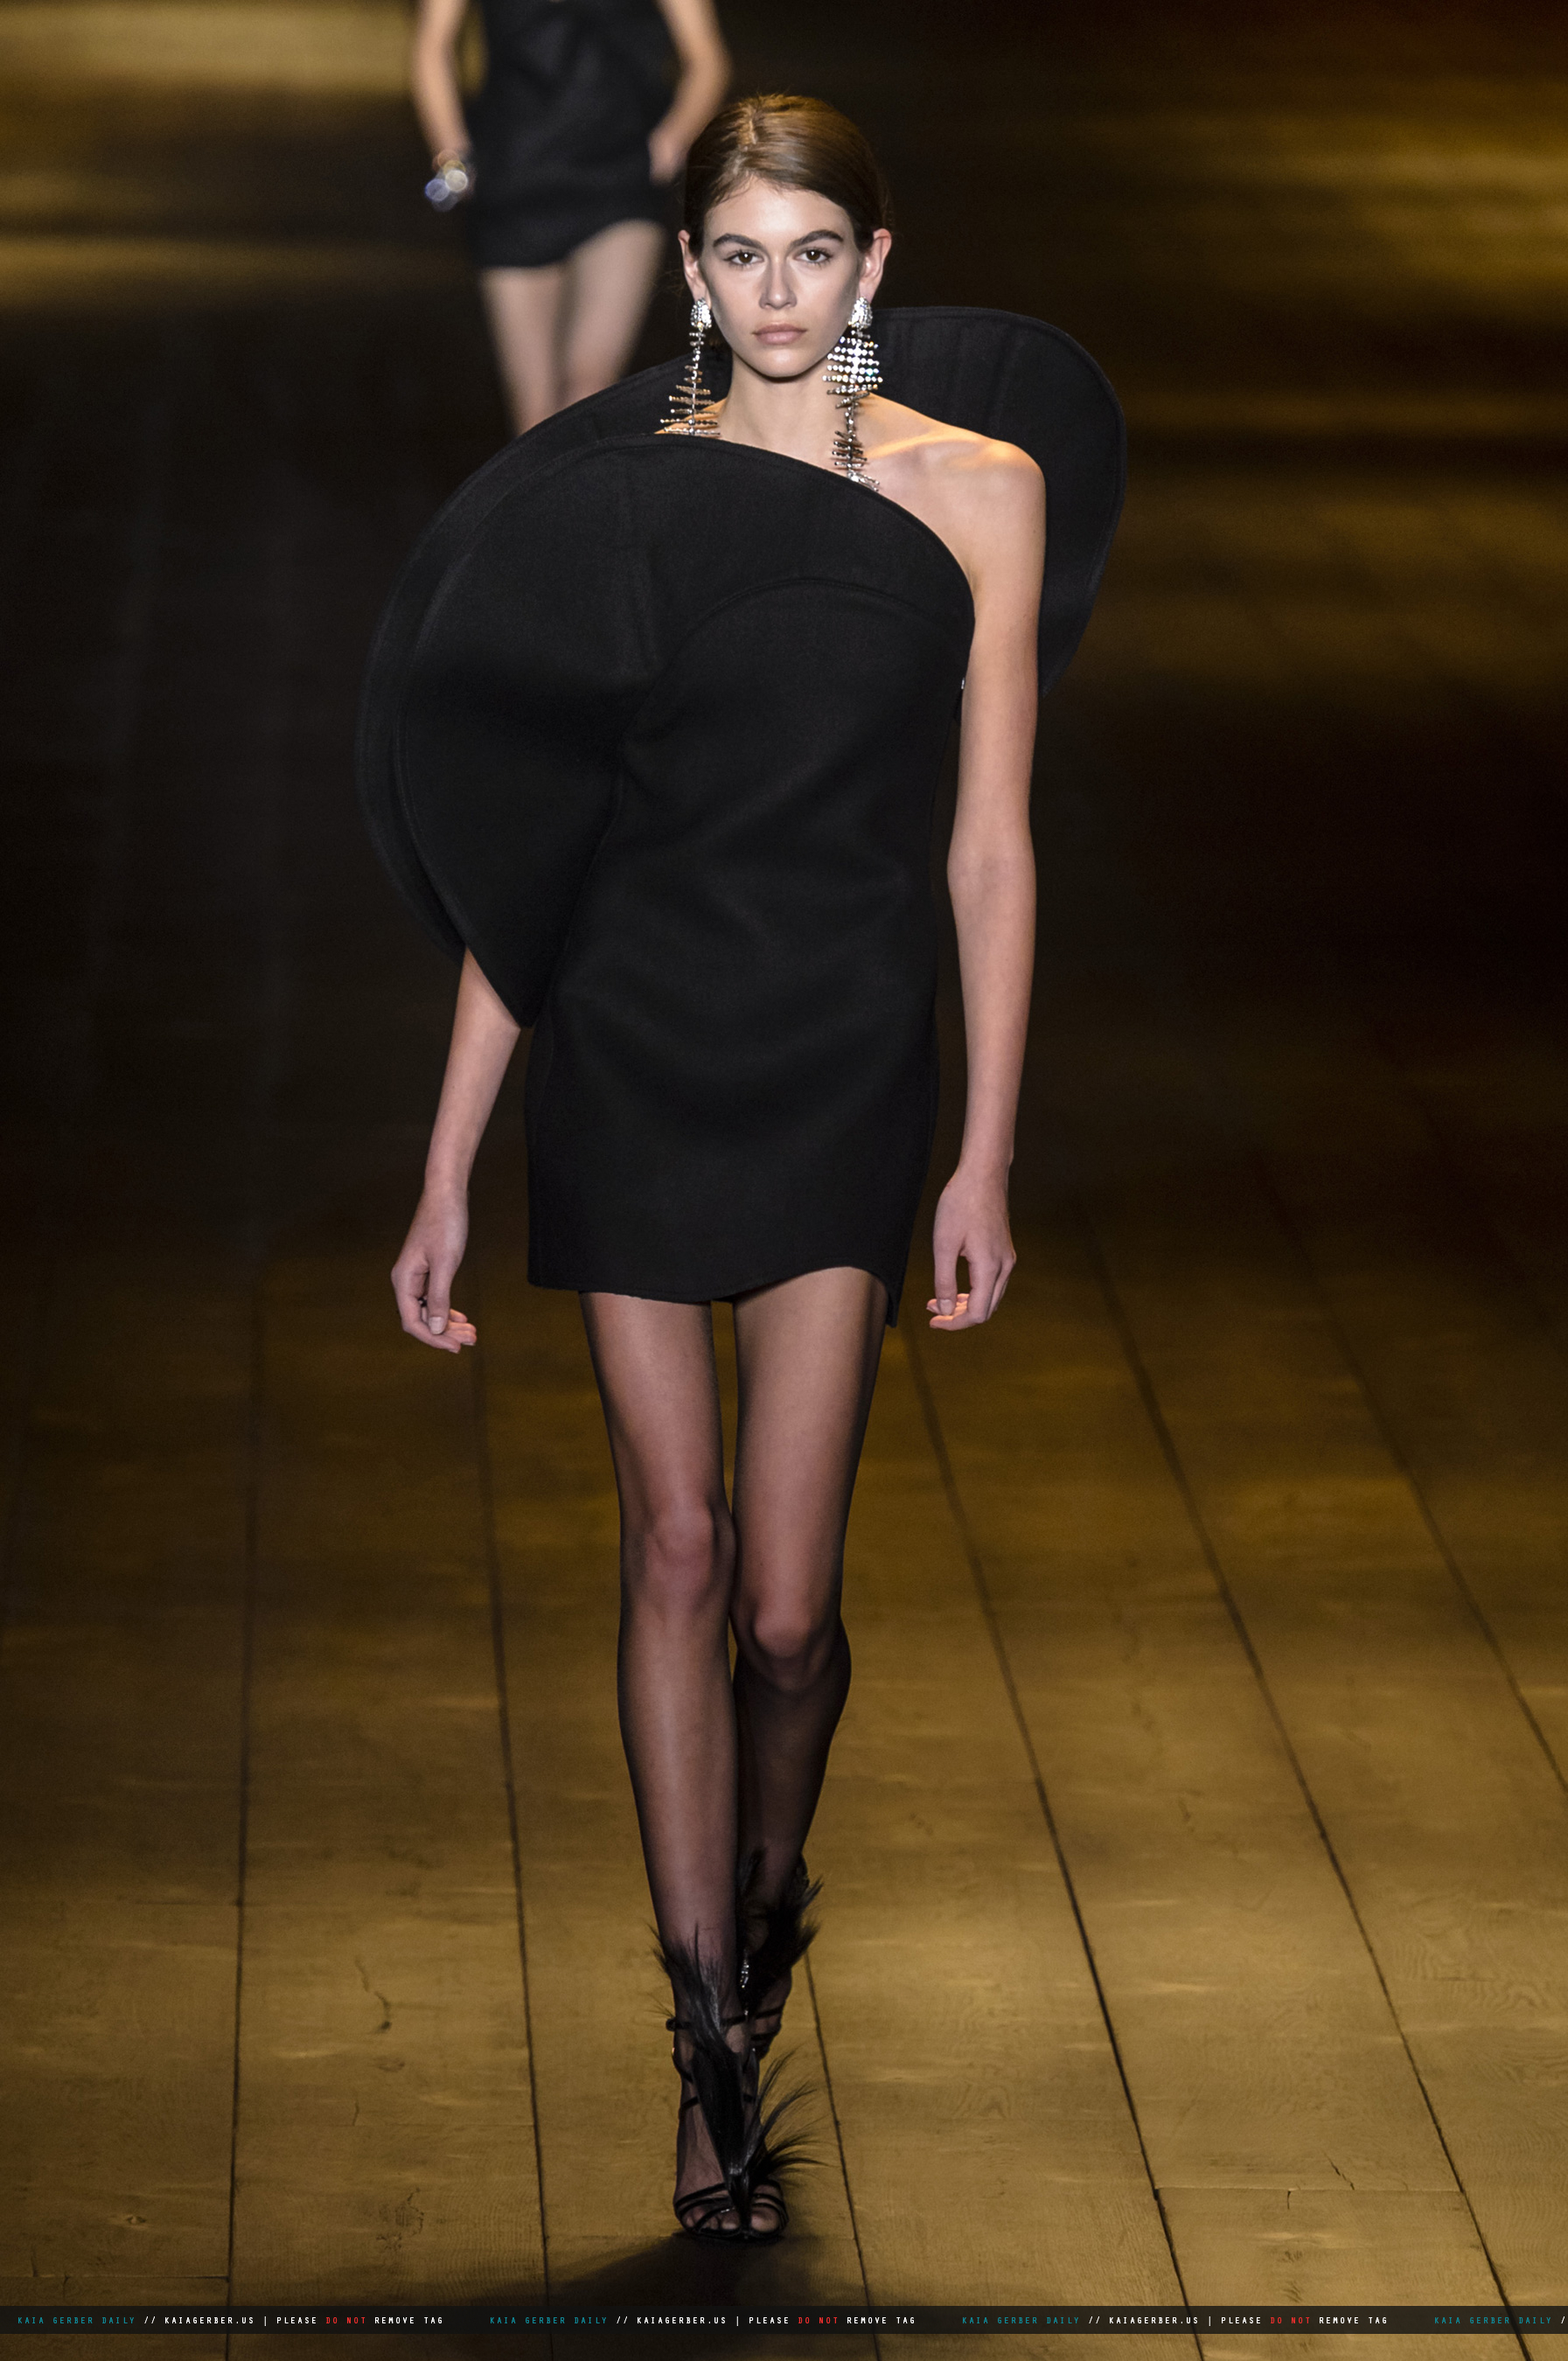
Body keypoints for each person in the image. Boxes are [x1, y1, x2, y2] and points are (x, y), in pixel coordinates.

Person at [359, 94, 1124, 2243]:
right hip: (632, 1035)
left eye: (809, 251)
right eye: (735, 254)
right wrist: (445, 1165)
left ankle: (762, 1923)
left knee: (788, 1611)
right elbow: (534, 856)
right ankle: (709, 2054)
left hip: (842, 1051)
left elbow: (990, 845)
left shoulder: (983, 492)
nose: (772, 290)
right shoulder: (614, 501)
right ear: (691, 273)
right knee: (676, 1549)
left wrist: (983, 1148)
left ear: (872, 265)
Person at [410, 0, 728, 434]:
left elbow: (707, 59)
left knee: (589, 391)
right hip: (516, 182)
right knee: (534, 418)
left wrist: (671, 141)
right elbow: (433, 45)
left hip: (618, 180)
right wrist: (453, 160)